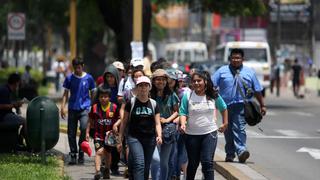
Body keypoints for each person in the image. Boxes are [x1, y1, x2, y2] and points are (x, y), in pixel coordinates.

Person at [212, 48, 266, 163]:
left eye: (238, 58)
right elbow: (212, 84)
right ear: (230, 59)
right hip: (225, 107)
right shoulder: (221, 71)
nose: (235, 60)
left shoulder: (249, 72)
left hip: (241, 106)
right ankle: (230, 154)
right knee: (228, 130)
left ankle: (241, 151)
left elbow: (257, 90)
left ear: (242, 59)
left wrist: (262, 105)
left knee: (239, 127)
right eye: (233, 58)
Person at [180, 70, 228, 180]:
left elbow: (224, 108)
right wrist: (183, 124)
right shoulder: (187, 96)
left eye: (199, 81)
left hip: (209, 134)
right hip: (191, 135)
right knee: (193, 163)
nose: (196, 83)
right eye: (194, 81)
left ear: (205, 81)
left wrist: (225, 123)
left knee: (207, 162)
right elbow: (182, 112)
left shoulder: (213, 95)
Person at [118, 76, 162, 180]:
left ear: (149, 87)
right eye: (140, 86)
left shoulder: (154, 104)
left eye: (146, 85)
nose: (143, 88)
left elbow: (157, 123)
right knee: (139, 163)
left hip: (150, 139)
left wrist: (159, 135)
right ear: (137, 88)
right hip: (134, 137)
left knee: (146, 167)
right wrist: (120, 137)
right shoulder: (131, 103)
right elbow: (124, 122)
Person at [60, 58, 96, 165]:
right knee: (71, 132)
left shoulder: (89, 78)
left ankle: (81, 152)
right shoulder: (69, 78)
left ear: (83, 66)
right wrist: (62, 107)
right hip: (72, 109)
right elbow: (65, 93)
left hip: (85, 109)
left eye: (79, 67)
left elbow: (93, 93)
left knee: (84, 128)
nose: (77, 70)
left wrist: (92, 107)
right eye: (75, 67)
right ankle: (73, 154)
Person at [150, 69, 179, 180]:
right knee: (155, 160)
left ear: (166, 81)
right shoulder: (149, 94)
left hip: (168, 130)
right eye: (157, 79)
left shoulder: (171, 94)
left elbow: (177, 111)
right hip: (152, 129)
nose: (160, 82)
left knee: (163, 162)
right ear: (153, 81)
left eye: (163, 79)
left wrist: (167, 120)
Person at [86, 87, 120, 180]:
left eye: (105, 97)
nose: (103, 99)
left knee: (108, 153)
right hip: (98, 135)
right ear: (98, 97)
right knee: (99, 152)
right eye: (101, 97)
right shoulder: (94, 107)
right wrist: (87, 132)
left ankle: (107, 170)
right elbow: (90, 120)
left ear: (109, 97)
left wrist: (116, 125)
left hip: (110, 136)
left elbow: (120, 118)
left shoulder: (114, 107)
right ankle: (97, 172)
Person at [0, 73, 27, 150]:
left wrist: (14, 104)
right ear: (16, 83)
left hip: (6, 115)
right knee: (25, 121)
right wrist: (14, 105)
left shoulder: (6, 89)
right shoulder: (4, 90)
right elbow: (1, 105)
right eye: (19, 83)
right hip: (3, 117)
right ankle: (23, 142)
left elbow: (6, 103)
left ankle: (19, 140)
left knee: (22, 120)